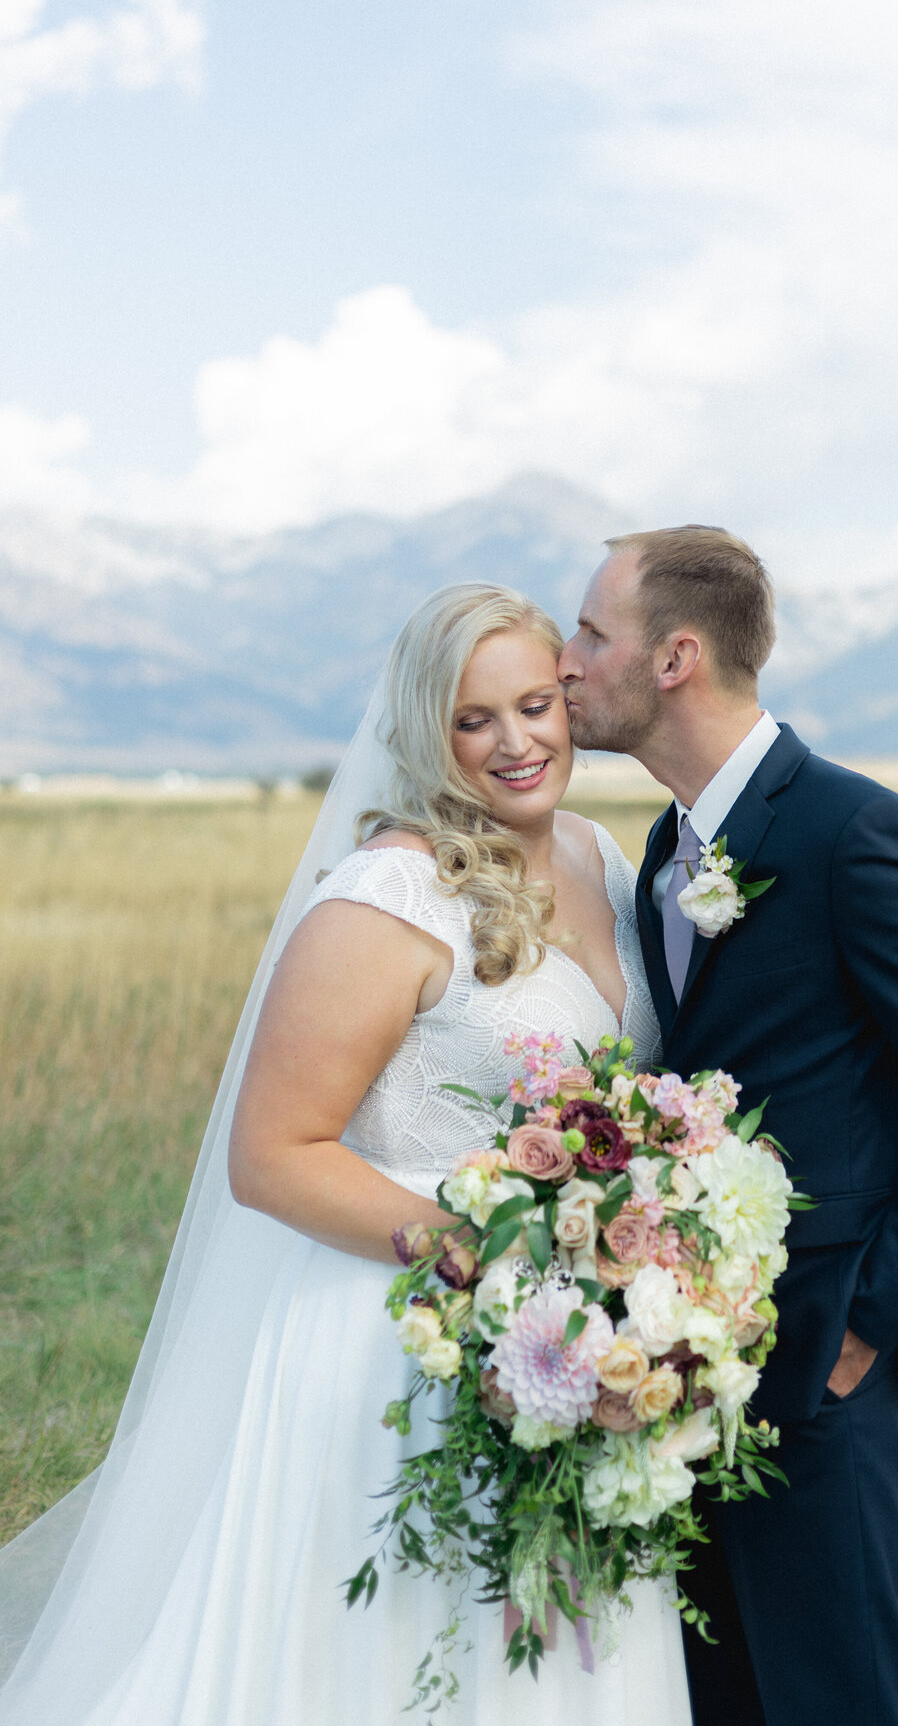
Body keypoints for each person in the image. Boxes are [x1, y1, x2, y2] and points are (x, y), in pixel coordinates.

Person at [0, 584, 691, 1726]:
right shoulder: (388, 897)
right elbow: (271, 1154)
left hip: (576, 1346)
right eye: (476, 722)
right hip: (401, 1339)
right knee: (388, 1661)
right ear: (429, 732)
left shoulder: (599, 855)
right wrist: (480, 1259)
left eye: (534, 706)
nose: (517, 743)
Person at [558, 525, 898, 1726]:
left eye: (589, 634)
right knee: (715, 1692)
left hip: (822, 1362)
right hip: (682, 1364)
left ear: (675, 657)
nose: (566, 662)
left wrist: (866, 1325)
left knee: (832, 1694)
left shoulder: (848, 830)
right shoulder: (669, 849)